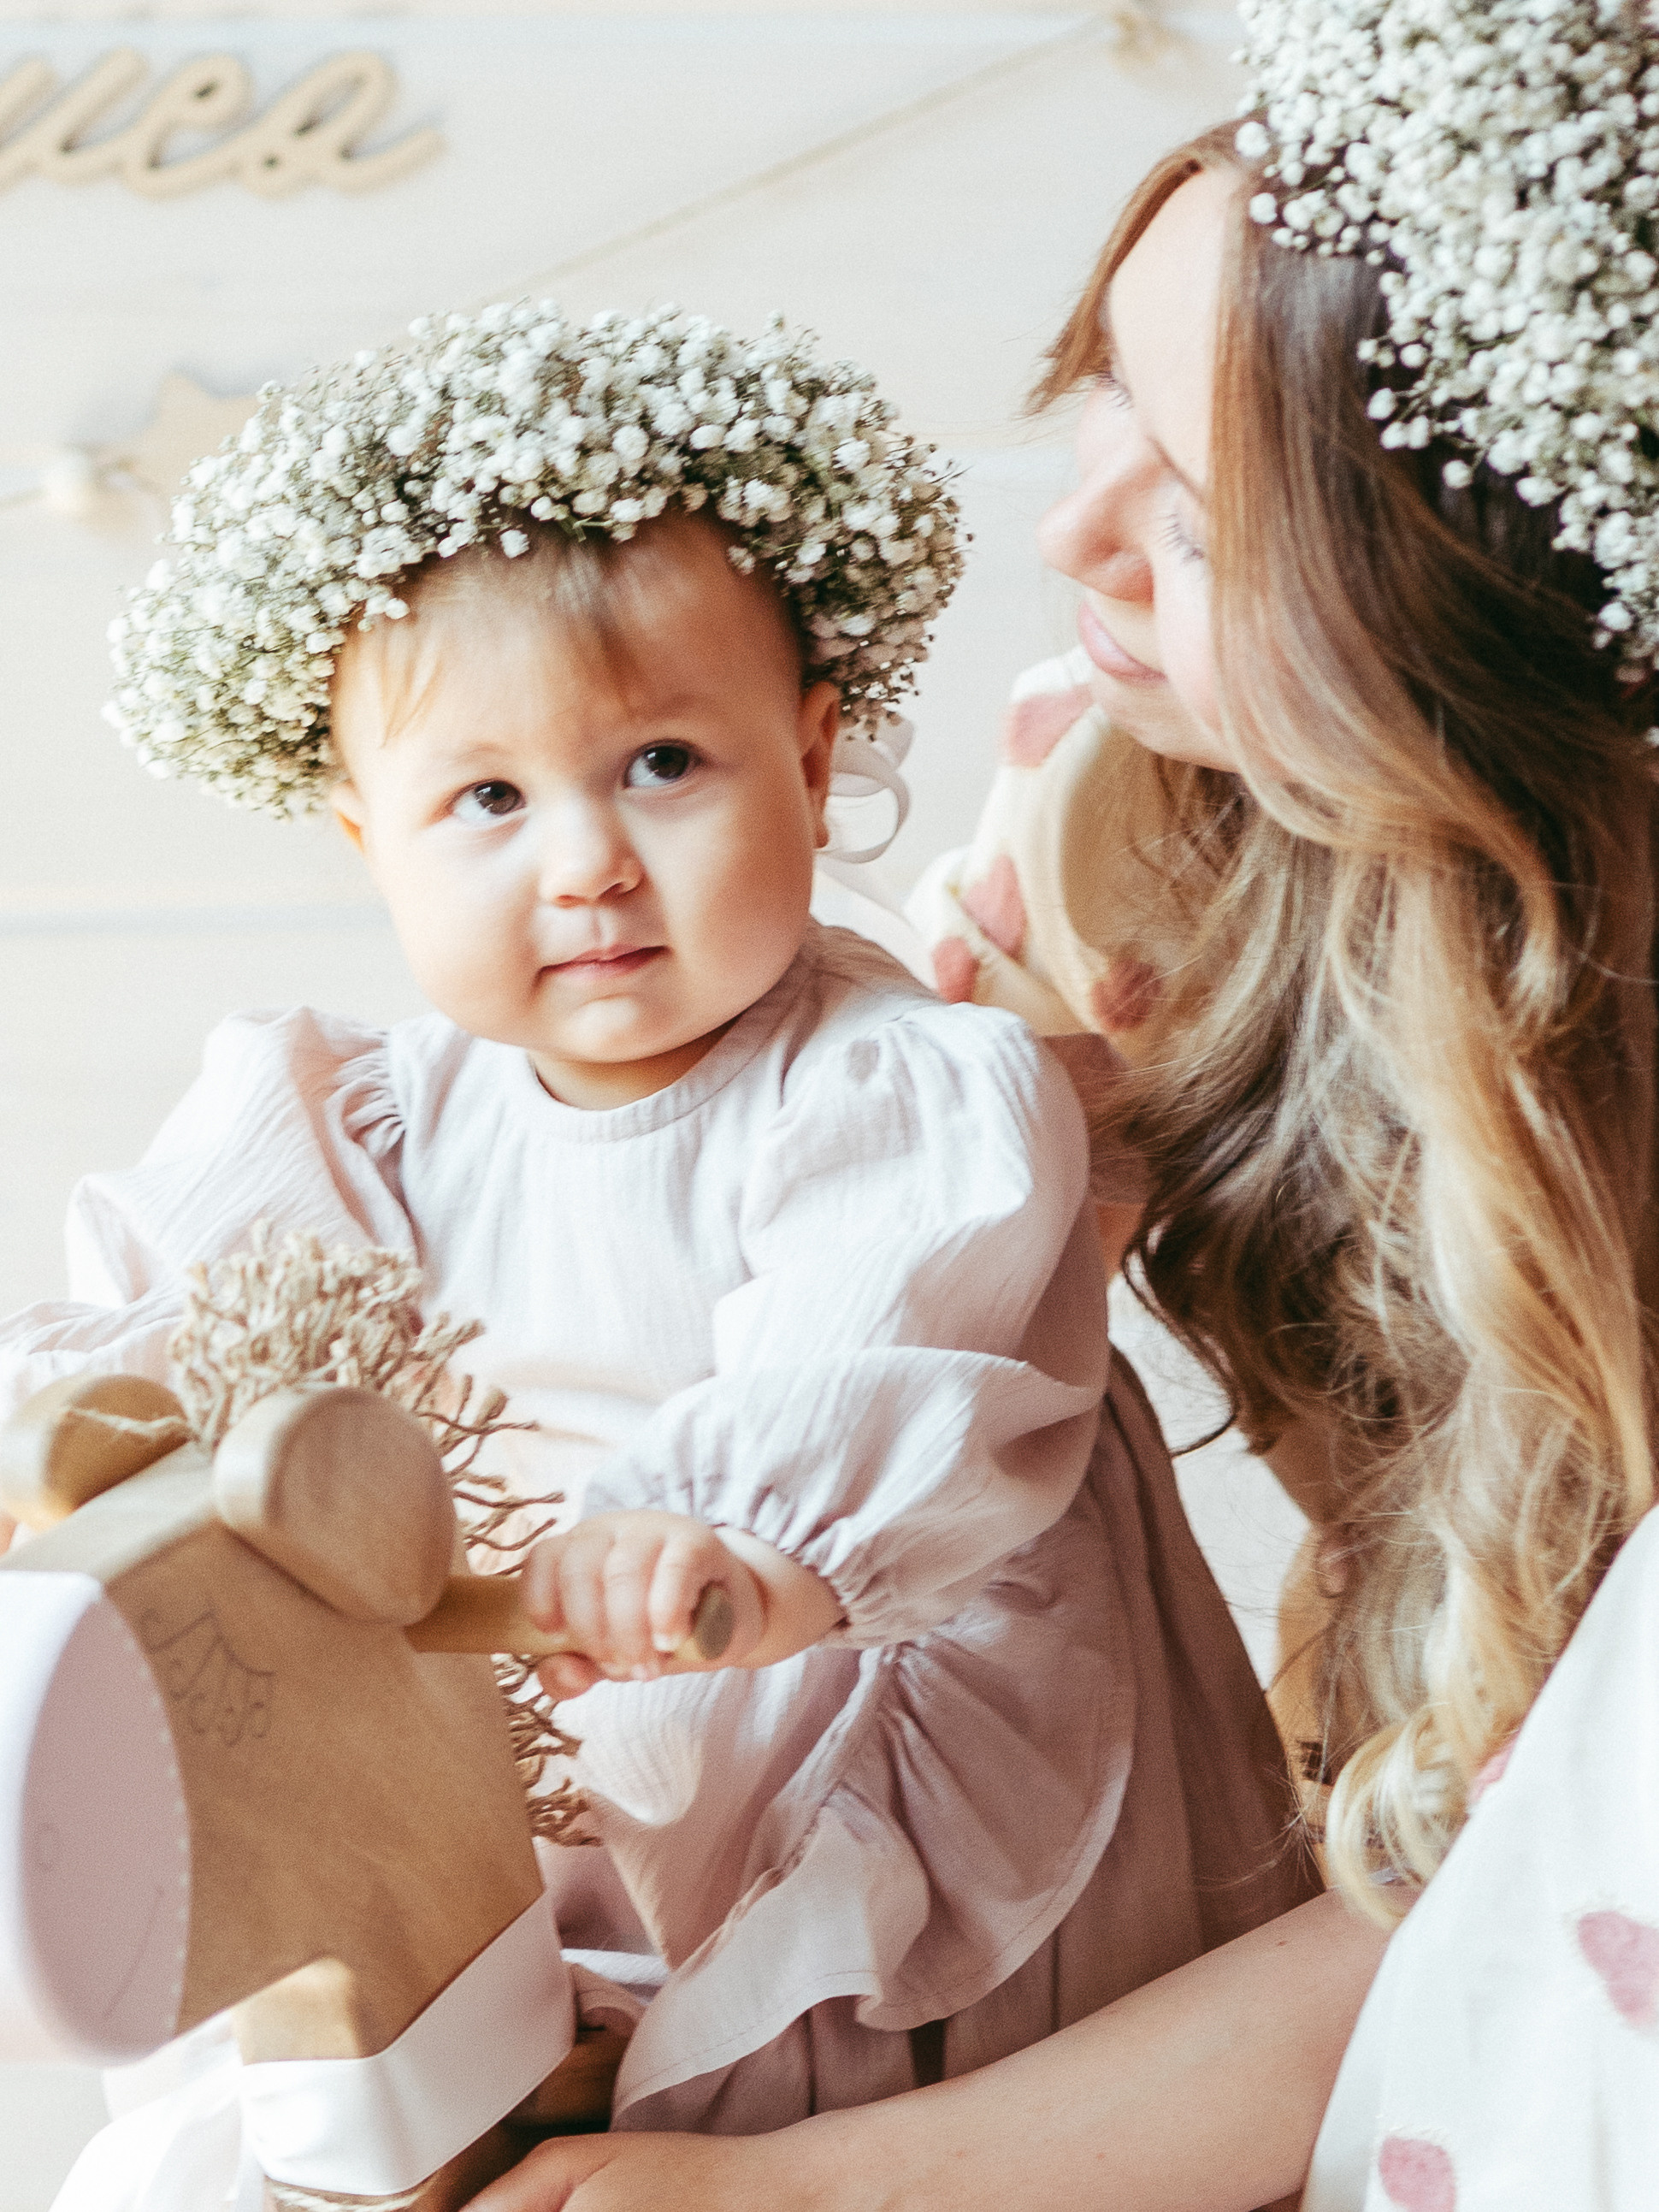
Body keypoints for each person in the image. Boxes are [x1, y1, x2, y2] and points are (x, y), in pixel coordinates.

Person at [469, 1, 1659, 2203]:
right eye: (1106, 382)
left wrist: (778, 2195)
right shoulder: (1111, 802)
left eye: (1209, 527)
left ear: (1474, 629)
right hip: (1352, 1826)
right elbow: (819, 1317)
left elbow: (1531, 1867)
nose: (1078, 528)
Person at [2, 304, 1309, 2162]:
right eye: (487, 799)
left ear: (808, 748)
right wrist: (89, 1445)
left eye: (664, 767)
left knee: (819, 2023)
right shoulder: (347, 1107)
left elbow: (874, 1360)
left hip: (827, 1680)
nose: (590, 862)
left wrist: (720, 1537)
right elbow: (171, 1326)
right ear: (365, 835)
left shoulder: (899, 1090)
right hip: (525, 1722)